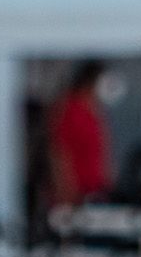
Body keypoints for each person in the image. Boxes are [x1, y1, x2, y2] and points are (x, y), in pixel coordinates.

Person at [43, 62, 111, 215]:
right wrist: (66, 189)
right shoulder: (70, 108)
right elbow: (58, 152)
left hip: (96, 191)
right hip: (75, 195)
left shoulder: (96, 109)